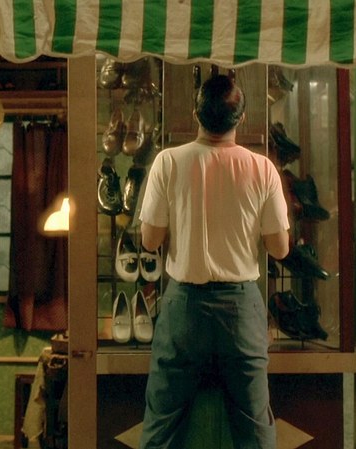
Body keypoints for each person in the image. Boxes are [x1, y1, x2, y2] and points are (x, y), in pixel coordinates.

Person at [138, 74, 290, 449]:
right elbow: (280, 248)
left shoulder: (168, 162)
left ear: (196, 114)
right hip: (240, 309)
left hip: (184, 307)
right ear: (241, 119)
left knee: (162, 426)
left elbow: (150, 240)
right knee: (254, 428)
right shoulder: (262, 168)